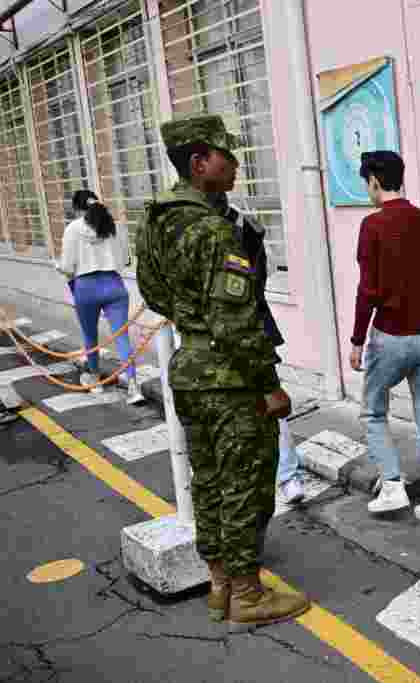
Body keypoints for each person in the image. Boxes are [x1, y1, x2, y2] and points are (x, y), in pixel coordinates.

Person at [135, 113, 310, 628]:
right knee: (246, 485)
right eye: (226, 155)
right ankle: (249, 597)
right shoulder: (213, 230)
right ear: (199, 162)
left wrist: (191, 318)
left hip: (189, 368)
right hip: (229, 379)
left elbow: (153, 293)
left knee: (207, 481)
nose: (235, 163)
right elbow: (236, 322)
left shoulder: (156, 221)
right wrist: (269, 386)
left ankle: (220, 587)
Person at [349, 150, 420, 528]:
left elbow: (368, 290)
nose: (367, 189)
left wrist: (358, 339)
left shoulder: (372, 226)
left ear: (375, 182)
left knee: (373, 411)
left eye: (366, 182)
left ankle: (392, 485)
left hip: (390, 337)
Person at [211, 192, 305, 505]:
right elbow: (260, 280)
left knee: (265, 404)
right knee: (269, 403)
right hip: (248, 326)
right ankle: (287, 478)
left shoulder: (236, 229)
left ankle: (284, 477)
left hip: (237, 330)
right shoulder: (246, 225)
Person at [55, 190, 145, 404]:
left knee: (90, 337)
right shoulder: (115, 226)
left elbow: (68, 267)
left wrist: (59, 267)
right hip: (114, 286)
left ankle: (94, 380)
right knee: (122, 337)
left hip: (85, 288)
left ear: (77, 209)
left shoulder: (72, 229)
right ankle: (133, 387)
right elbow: (125, 261)